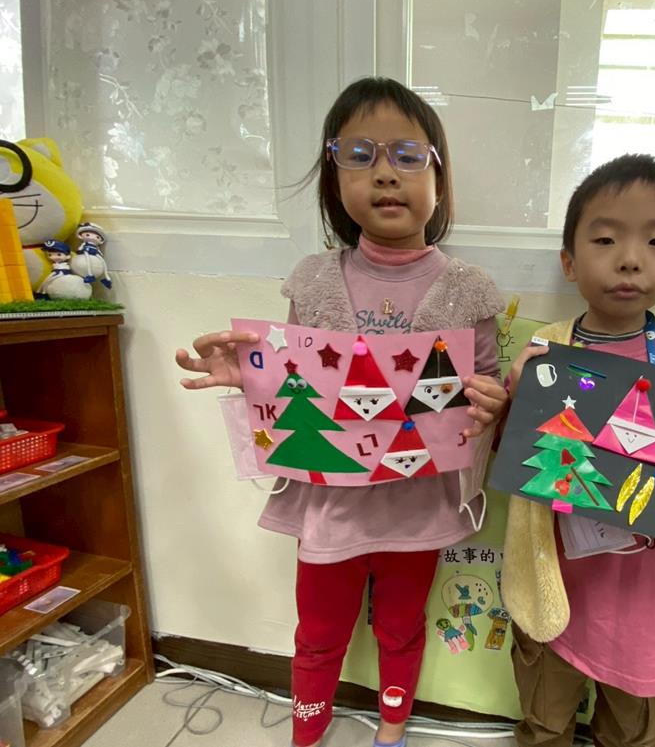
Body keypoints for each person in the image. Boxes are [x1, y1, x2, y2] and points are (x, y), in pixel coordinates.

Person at [174, 77, 508, 747]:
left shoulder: (468, 288)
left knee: (401, 627)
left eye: (407, 155)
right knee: (319, 633)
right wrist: (246, 376)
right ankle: (308, 733)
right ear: (334, 177)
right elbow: (296, 381)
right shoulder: (314, 280)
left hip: (417, 507)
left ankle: (392, 729)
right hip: (331, 506)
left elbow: (487, 386)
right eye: (359, 154)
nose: (384, 173)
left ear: (439, 177)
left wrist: (494, 405)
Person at [501, 155, 655, 747]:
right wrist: (513, 396)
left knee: (635, 736)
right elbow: (512, 460)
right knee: (544, 724)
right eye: (605, 239)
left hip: (646, 601)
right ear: (569, 262)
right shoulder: (545, 352)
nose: (630, 258)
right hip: (558, 585)